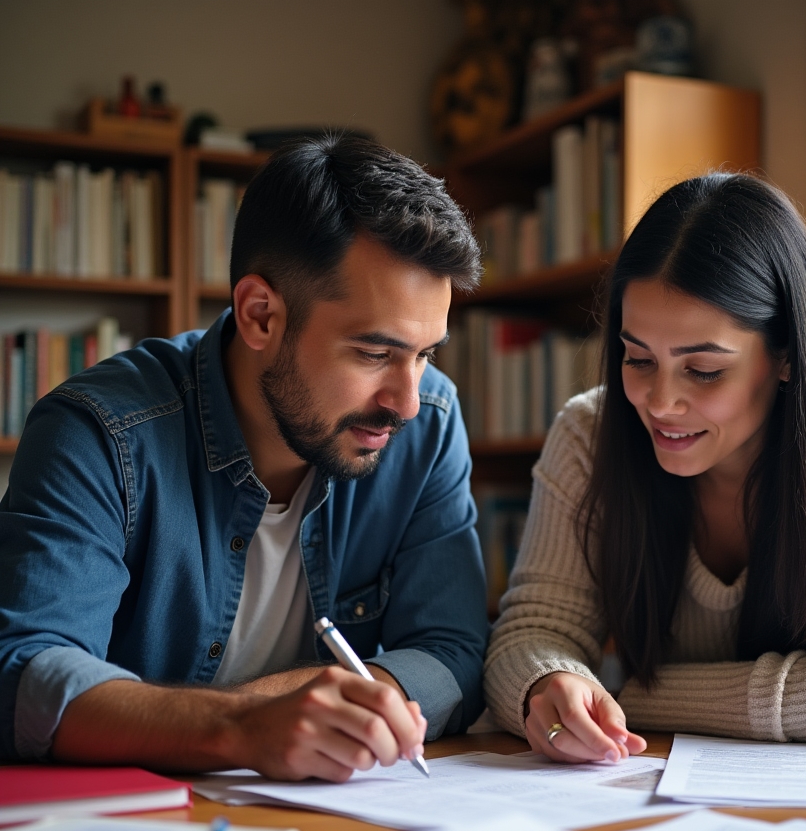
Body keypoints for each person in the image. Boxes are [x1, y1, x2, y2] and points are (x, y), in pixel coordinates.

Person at [0, 133, 490, 779]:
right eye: (375, 354)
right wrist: (241, 726)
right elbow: (26, 671)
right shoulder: (100, 432)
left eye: (425, 354)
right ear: (260, 315)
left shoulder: (429, 422)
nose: (405, 400)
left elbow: (453, 649)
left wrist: (309, 708)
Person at [484, 172, 806, 763]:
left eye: (703, 370)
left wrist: (621, 694)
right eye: (637, 359)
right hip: (675, 796)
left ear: (786, 354)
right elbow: (528, 636)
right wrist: (545, 684)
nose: (659, 402)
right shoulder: (590, 431)